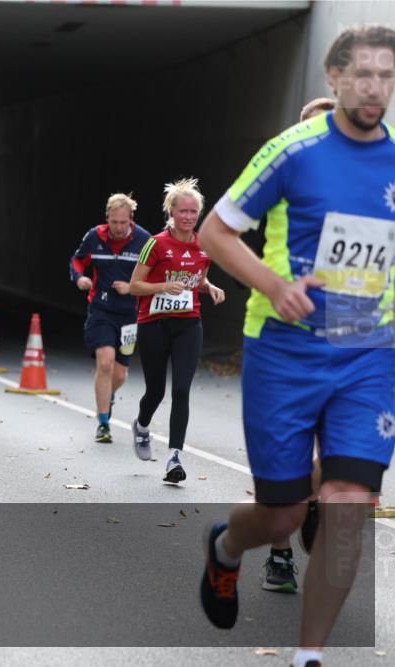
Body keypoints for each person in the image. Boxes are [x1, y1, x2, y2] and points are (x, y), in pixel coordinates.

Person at [196, 26, 395, 667]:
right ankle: (227, 547)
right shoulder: (293, 150)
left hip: (369, 356)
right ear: (334, 79)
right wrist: (276, 285)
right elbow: (215, 233)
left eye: (386, 76)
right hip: (286, 350)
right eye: (362, 74)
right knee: (282, 517)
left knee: (347, 508)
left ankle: (308, 656)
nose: (375, 87)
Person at [260, 95, 336, 594]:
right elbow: (221, 230)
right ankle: (280, 556)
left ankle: (308, 500)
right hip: (285, 333)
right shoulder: (280, 180)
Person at [128, 178, 226, 483]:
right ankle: (142, 426)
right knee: (155, 391)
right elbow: (134, 286)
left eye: (193, 211)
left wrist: (210, 287)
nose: (188, 216)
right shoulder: (155, 244)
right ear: (171, 211)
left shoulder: (204, 246)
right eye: (182, 211)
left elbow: (197, 279)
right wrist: (162, 286)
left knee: (181, 389)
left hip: (188, 323)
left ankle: (174, 457)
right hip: (153, 324)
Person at [70, 193, 152, 443]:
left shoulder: (144, 241)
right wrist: (80, 278)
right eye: (114, 222)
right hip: (101, 310)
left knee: (119, 375)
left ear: (131, 220)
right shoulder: (94, 236)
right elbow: (76, 260)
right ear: (108, 218)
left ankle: (108, 396)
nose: (118, 228)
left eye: (123, 223)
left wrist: (132, 287)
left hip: (130, 314)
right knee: (105, 363)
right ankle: (104, 423)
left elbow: (155, 275)